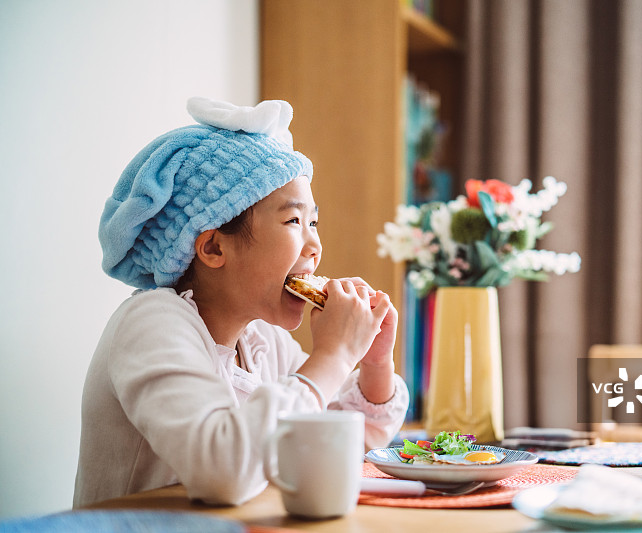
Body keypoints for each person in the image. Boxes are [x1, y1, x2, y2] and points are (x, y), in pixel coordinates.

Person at [73, 97, 409, 507]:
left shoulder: (261, 340)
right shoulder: (151, 323)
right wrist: (334, 355)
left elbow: (351, 434)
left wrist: (373, 363)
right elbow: (223, 473)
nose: (315, 244)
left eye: (314, 222)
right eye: (293, 221)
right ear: (213, 247)